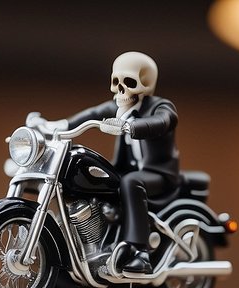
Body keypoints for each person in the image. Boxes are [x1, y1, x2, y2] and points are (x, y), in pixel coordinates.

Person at [64, 52, 180, 275]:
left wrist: (132, 127)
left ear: (145, 83)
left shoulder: (161, 106)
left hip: (159, 174)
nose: (120, 89)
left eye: (128, 82)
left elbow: (164, 121)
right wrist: (57, 125)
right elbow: (92, 113)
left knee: (130, 182)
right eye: (115, 82)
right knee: (96, 178)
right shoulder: (121, 106)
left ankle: (140, 253)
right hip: (128, 170)